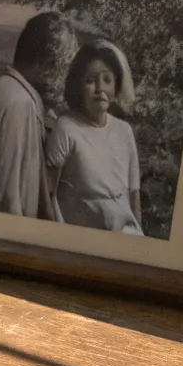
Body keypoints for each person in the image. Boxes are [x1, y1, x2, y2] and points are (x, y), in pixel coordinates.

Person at [0, 11, 75, 217]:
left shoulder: (5, 91)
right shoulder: (19, 105)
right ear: (48, 61)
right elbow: (8, 201)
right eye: (64, 64)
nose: (65, 77)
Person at [44, 41, 143, 234]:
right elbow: (49, 194)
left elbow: (133, 196)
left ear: (116, 86)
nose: (100, 89)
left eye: (107, 80)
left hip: (126, 234)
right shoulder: (66, 128)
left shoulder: (124, 131)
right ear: (78, 85)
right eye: (90, 80)